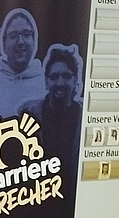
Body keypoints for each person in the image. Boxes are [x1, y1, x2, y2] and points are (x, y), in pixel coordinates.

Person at [18, 44, 84, 184]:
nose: (60, 83)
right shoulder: (29, 115)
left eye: (66, 76)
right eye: (54, 77)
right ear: (46, 82)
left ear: (75, 80)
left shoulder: (84, 117)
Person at [0, 8, 46, 119]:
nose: (20, 42)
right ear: (3, 43)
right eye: (13, 36)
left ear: (34, 40)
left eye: (26, 34)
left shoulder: (46, 83)